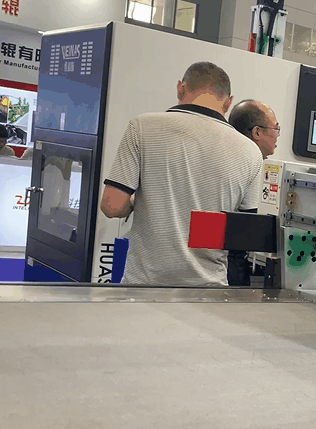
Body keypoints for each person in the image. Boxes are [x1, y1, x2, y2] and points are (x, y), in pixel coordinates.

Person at [99, 62, 264, 287]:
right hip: (208, 291)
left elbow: (112, 206)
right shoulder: (250, 151)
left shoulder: (142, 127)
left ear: (180, 88)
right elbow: (244, 236)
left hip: (144, 288)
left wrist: (139, 201)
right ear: (228, 102)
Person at [225, 99, 280, 286]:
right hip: (230, 265)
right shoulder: (253, 159)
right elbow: (250, 224)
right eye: (276, 128)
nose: (277, 135)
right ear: (257, 132)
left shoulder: (225, 154)